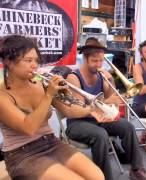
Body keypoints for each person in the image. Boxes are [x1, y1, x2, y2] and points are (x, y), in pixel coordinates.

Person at [0, 35, 104, 180]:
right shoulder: (2, 94)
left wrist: (92, 109)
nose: (34, 65)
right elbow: (29, 127)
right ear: (9, 62)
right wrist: (48, 95)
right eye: (28, 60)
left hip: (50, 142)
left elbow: (68, 110)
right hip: (22, 154)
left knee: (97, 176)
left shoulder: (40, 83)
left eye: (36, 60)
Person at [66, 37, 146, 180]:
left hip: (99, 119)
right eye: (95, 61)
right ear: (85, 59)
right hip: (78, 122)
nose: (99, 64)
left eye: (101, 61)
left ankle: (137, 169)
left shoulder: (101, 75)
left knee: (127, 126)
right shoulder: (74, 77)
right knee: (100, 135)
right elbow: (80, 109)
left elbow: (111, 101)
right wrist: (107, 101)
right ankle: (104, 176)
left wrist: (112, 81)